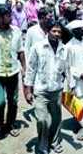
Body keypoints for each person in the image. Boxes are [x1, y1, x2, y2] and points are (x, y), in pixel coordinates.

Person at [24, 20, 68, 154]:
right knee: (42, 120)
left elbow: (67, 70)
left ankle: (54, 142)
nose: (56, 34)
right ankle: (42, 143)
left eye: (59, 31)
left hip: (57, 90)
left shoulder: (64, 49)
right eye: (54, 31)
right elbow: (31, 69)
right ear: (48, 31)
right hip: (41, 90)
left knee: (56, 119)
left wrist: (68, 86)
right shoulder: (38, 47)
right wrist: (28, 89)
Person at [0, 4, 26, 139]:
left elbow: (20, 52)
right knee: (0, 102)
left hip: (13, 72)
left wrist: (24, 69)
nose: (11, 17)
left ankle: (10, 124)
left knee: (13, 102)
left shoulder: (16, 31)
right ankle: (0, 124)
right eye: (8, 15)